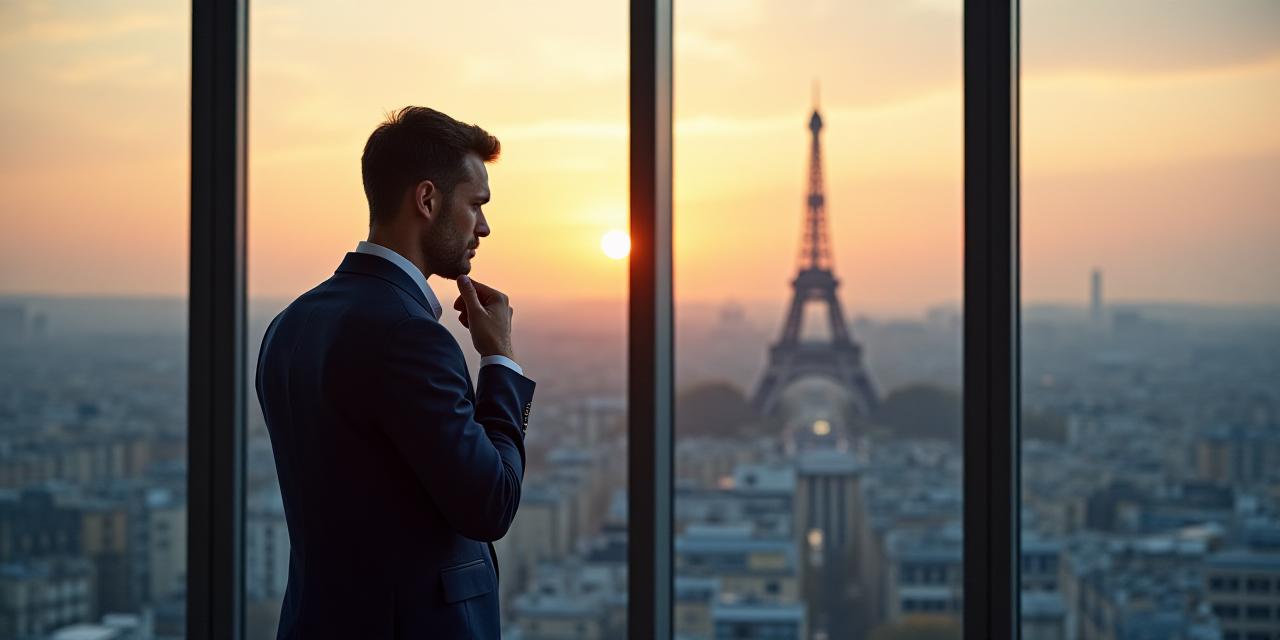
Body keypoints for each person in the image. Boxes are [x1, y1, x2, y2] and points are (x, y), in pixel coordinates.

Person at [255, 106, 534, 639]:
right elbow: (491, 504)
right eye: (475, 204)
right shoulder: (409, 335)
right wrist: (499, 360)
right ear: (427, 199)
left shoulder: (288, 325)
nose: (485, 226)